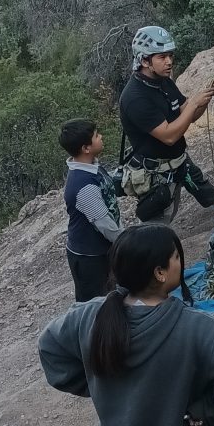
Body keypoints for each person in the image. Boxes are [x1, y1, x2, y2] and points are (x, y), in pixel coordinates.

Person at [39, 224, 214, 426]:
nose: (180, 262)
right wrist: (201, 413)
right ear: (160, 273)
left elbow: (49, 346)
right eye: (176, 257)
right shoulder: (196, 328)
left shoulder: (89, 315)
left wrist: (97, 383)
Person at [118, 26, 214, 224]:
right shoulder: (135, 97)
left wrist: (206, 98)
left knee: (193, 176)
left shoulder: (163, 82)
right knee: (158, 221)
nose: (169, 61)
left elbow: (189, 115)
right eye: (162, 57)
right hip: (156, 172)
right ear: (144, 61)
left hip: (177, 159)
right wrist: (194, 103)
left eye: (170, 55)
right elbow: (169, 136)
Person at [59, 118, 123, 302]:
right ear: (85, 148)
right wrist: (128, 242)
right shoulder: (83, 185)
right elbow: (105, 225)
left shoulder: (92, 166)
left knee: (113, 296)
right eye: (96, 135)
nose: (101, 137)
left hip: (101, 250)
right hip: (90, 258)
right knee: (95, 306)